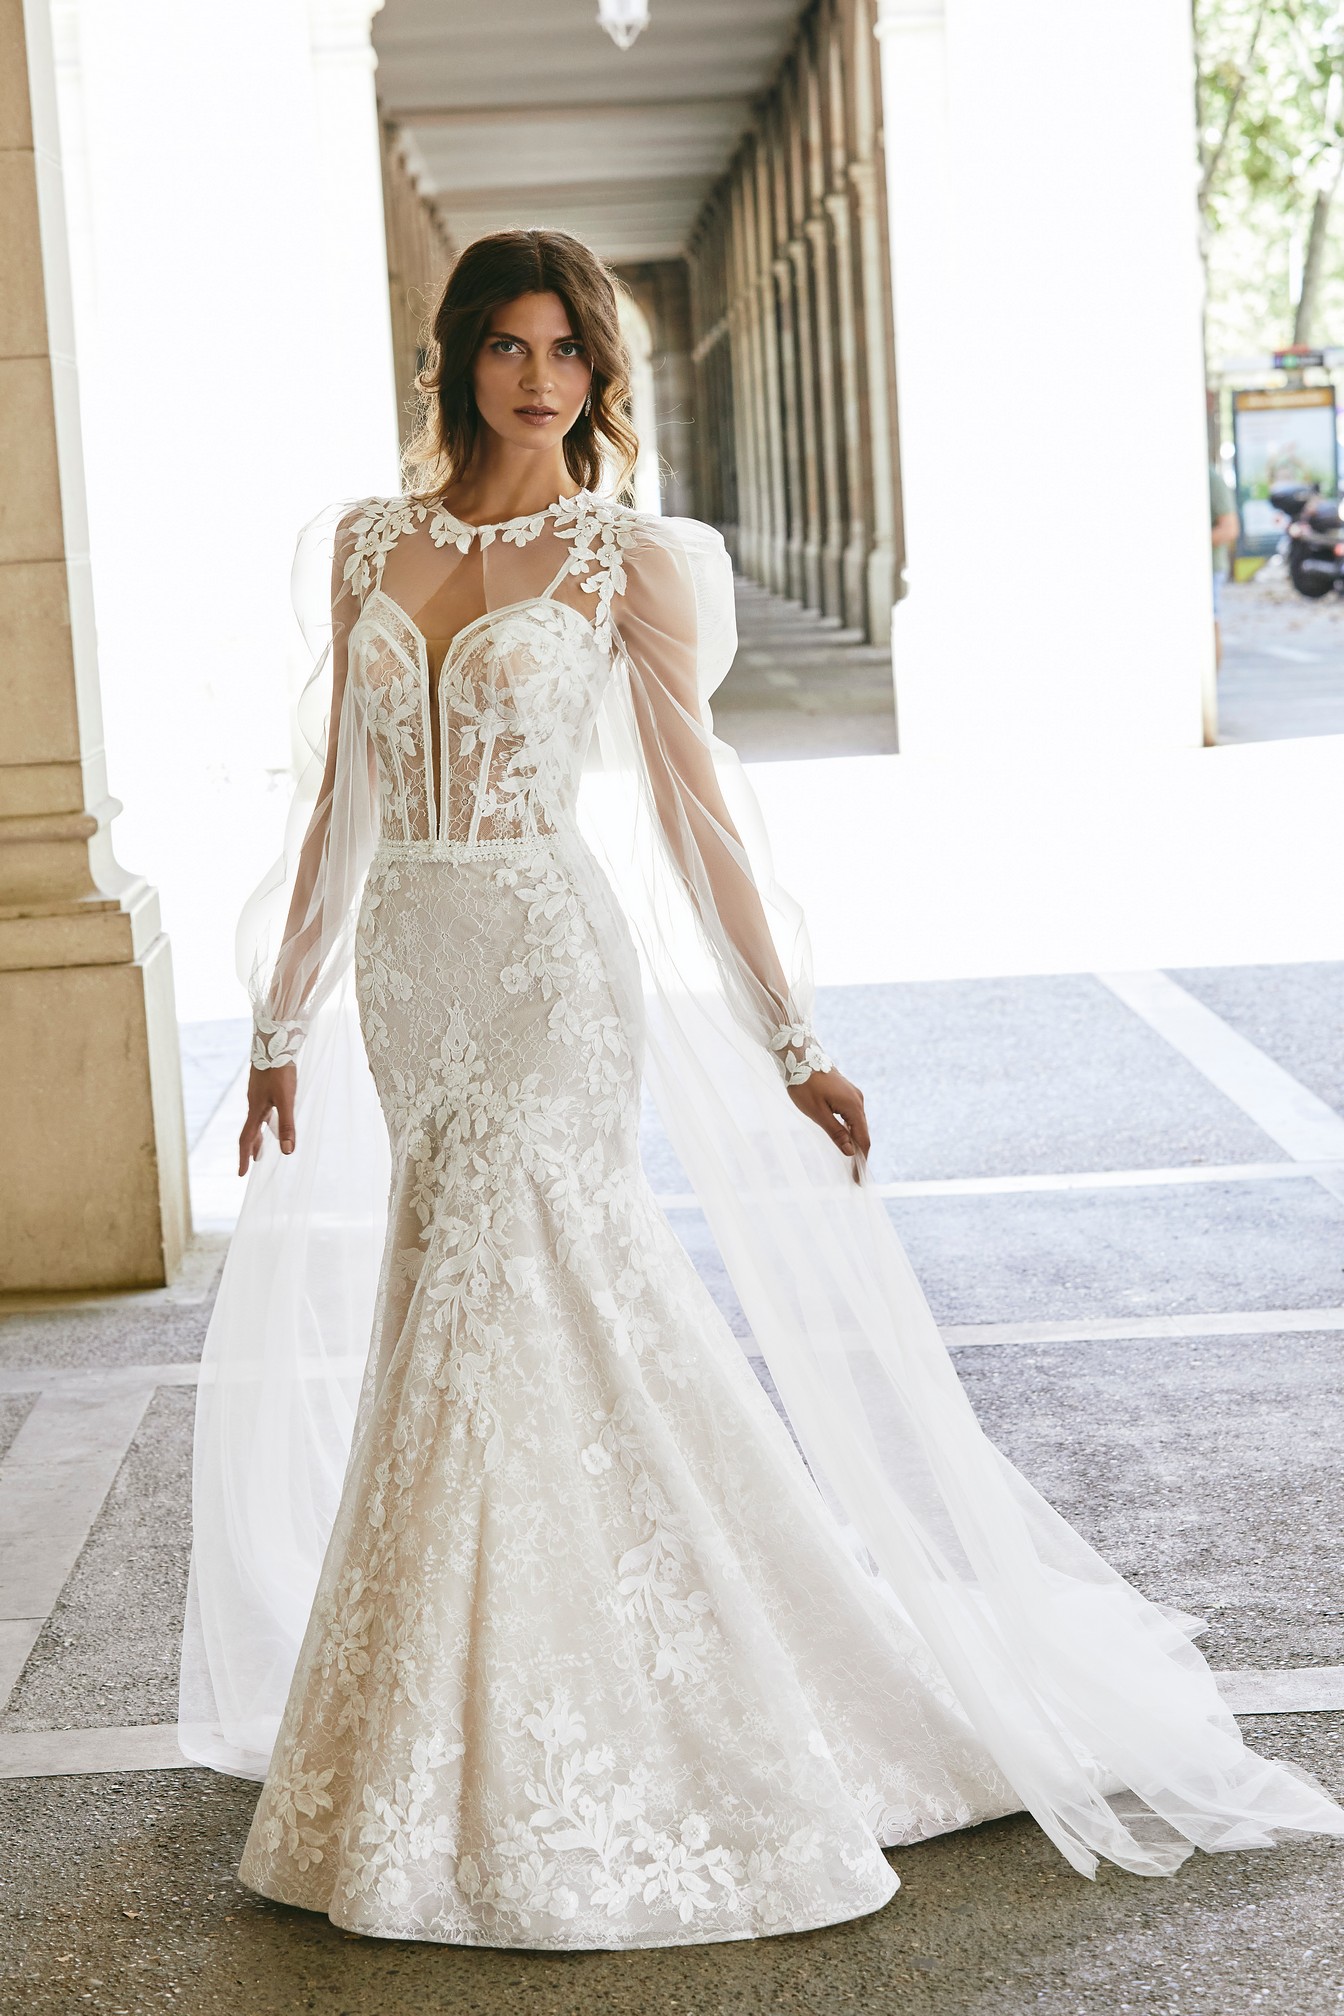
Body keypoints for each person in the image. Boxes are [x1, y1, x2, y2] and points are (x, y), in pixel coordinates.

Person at [178, 229, 1344, 1950]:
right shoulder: (365, 544)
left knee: (509, 1299)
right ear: (453, 358)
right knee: (462, 1314)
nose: (539, 378)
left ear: (598, 375)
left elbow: (694, 806)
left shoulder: (623, 558)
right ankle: (450, 1708)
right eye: (507, 345)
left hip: (552, 974)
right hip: (413, 982)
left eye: (567, 350)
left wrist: (793, 1041)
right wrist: (278, 1024)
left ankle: (523, 1728)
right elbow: (335, 806)